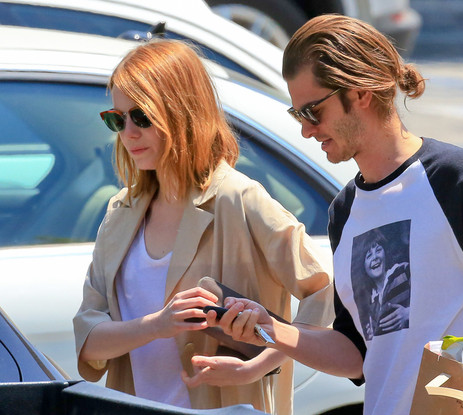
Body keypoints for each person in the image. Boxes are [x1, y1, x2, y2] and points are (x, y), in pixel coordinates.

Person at [206, 14, 463, 415]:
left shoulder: (461, 179)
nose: (306, 129)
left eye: (313, 111)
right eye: (297, 115)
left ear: (360, 93)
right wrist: (270, 328)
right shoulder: (345, 210)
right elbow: (357, 355)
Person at [72, 39, 334, 415]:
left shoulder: (239, 198)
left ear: (181, 112)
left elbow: (323, 291)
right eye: (117, 119)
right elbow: (89, 341)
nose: (128, 133)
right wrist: (157, 325)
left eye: (141, 116)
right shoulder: (121, 210)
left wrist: (260, 365)